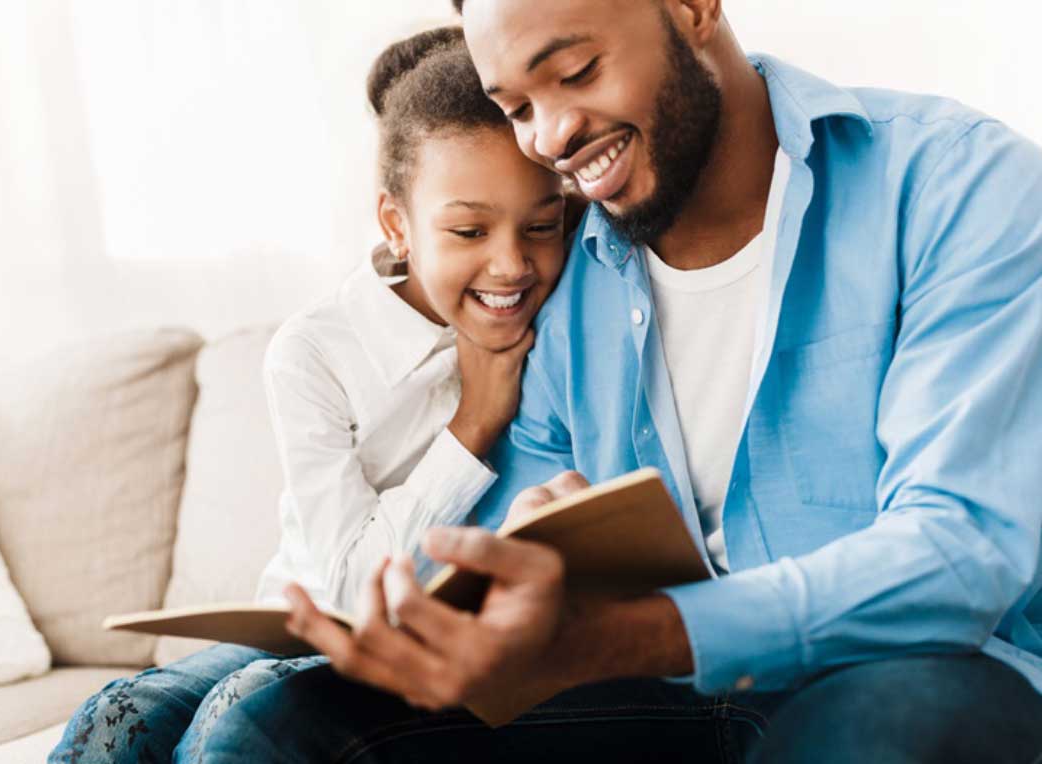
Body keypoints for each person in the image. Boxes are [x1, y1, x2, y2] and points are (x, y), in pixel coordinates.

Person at [201, 1, 1042, 762]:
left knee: (873, 732)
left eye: (575, 73)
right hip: (662, 699)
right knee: (274, 721)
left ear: (693, 7)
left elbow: (961, 555)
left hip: (920, 674)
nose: (550, 138)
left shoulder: (951, 186)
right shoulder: (570, 277)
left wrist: (627, 637)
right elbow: (521, 523)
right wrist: (524, 559)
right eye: (517, 108)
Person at [48, 26, 569, 763]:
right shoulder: (314, 351)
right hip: (307, 616)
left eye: (543, 225)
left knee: (247, 713)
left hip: (423, 643)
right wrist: (473, 422)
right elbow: (353, 588)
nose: (511, 263)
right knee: (125, 710)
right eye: (466, 230)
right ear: (398, 224)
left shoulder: (569, 308)